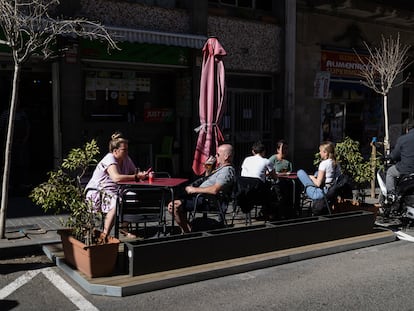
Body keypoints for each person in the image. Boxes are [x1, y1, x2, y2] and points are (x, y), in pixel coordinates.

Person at [85, 132, 150, 240]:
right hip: (99, 191)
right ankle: (105, 235)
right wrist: (136, 177)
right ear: (115, 151)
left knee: (132, 197)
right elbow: (116, 178)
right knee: (115, 202)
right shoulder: (109, 158)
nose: (127, 152)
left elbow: (134, 171)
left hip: (117, 190)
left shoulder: (126, 159)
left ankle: (124, 227)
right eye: (124, 150)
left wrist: (144, 175)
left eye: (127, 149)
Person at [167, 144, 236, 233]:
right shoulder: (220, 168)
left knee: (173, 207)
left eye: (218, 154)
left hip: (207, 201)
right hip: (201, 198)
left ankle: (186, 232)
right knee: (173, 201)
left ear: (226, 156)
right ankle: (188, 228)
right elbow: (208, 180)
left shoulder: (227, 171)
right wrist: (208, 169)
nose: (216, 156)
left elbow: (215, 189)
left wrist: (194, 190)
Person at [386, 119, 414, 196]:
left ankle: (391, 197)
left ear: (407, 129)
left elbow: (394, 155)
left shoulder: (403, 139)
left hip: (405, 169)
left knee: (390, 172)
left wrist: (390, 157)